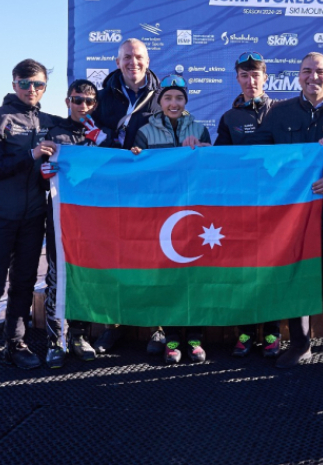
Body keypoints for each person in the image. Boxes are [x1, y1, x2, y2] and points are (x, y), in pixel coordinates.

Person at [251, 52, 323, 377]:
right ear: (298, 76)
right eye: (306, 71)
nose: (312, 77)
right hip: (290, 218)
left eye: (319, 72)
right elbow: (261, 159)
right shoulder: (278, 112)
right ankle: (300, 344)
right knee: (295, 279)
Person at [0, 59, 58, 377]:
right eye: (25, 83)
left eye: (38, 84)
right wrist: (32, 155)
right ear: (14, 84)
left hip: (34, 216)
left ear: (45, 87)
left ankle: (15, 344)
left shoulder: (50, 122)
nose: (32, 89)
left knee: (23, 283)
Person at [131, 74, 211, 363]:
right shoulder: (145, 130)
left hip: (193, 213)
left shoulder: (200, 129)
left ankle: (195, 338)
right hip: (161, 214)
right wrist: (136, 156)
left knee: (195, 274)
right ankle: (173, 336)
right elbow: (136, 173)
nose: (174, 103)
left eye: (179, 98)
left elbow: (211, 171)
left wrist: (205, 151)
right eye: (168, 98)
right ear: (159, 101)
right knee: (168, 275)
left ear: (186, 101)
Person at [91, 37, 163, 354]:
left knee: (155, 256)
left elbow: (176, 133)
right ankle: (113, 326)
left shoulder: (163, 97)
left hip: (152, 191)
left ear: (148, 60)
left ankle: (158, 325)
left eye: (138, 56)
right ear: (117, 61)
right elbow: (86, 134)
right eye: (126, 57)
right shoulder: (101, 98)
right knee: (115, 256)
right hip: (113, 190)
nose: (133, 62)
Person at [39, 80, 116, 368]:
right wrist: (43, 171)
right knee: (58, 277)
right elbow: (37, 169)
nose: (82, 106)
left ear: (95, 105)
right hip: (61, 215)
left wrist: (102, 141)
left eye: (88, 101)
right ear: (67, 101)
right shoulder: (54, 131)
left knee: (84, 274)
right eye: (77, 100)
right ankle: (55, 341)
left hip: (94, 217)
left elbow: (121, 162)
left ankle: (79, 335)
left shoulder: (102, 132)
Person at [214, 52, 283, 359]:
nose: (250, 81)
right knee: (241, 267)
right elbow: (218, 159)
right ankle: (243, 330)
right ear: (237, 79)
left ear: (265, 78)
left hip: (274, 206)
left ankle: (271, 331)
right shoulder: (230, 118)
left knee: (270, 268)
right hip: (240, 205)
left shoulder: (282, 111)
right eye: (244, 75)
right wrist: (198, 152)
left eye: (256, 75)